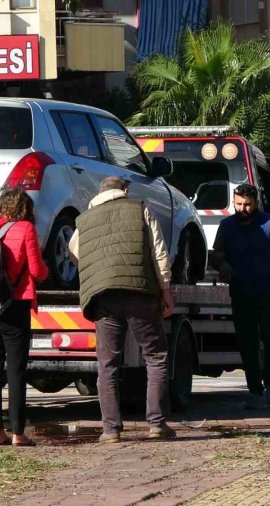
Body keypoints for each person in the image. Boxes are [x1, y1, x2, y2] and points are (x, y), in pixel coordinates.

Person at [68, 176, 176, 444]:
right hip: (140, 291)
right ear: (125, 191)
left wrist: (100, 269)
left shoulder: (84, 219)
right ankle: (157, 423)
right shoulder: (140, 208)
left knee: (107, 364)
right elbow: (158, 251)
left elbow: (73, 250)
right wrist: (165, 290)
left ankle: (111, 430)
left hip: (103, 296)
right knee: (155, 356)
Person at [209, 183, 270, 409]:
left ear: (256, 203)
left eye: (247, 204)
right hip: (242, 294)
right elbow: (217, 255)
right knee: (248, 344)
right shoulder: (226, 226)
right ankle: (255, 392)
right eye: (238, 204)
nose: (243, 208)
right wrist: (223, 265)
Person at [0, 188, 49, 446]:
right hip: (14, 306)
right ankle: (18, 433)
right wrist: (45, 271)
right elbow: (38, 271)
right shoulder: (25, 229)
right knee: (16, 371)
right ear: (24, 208)